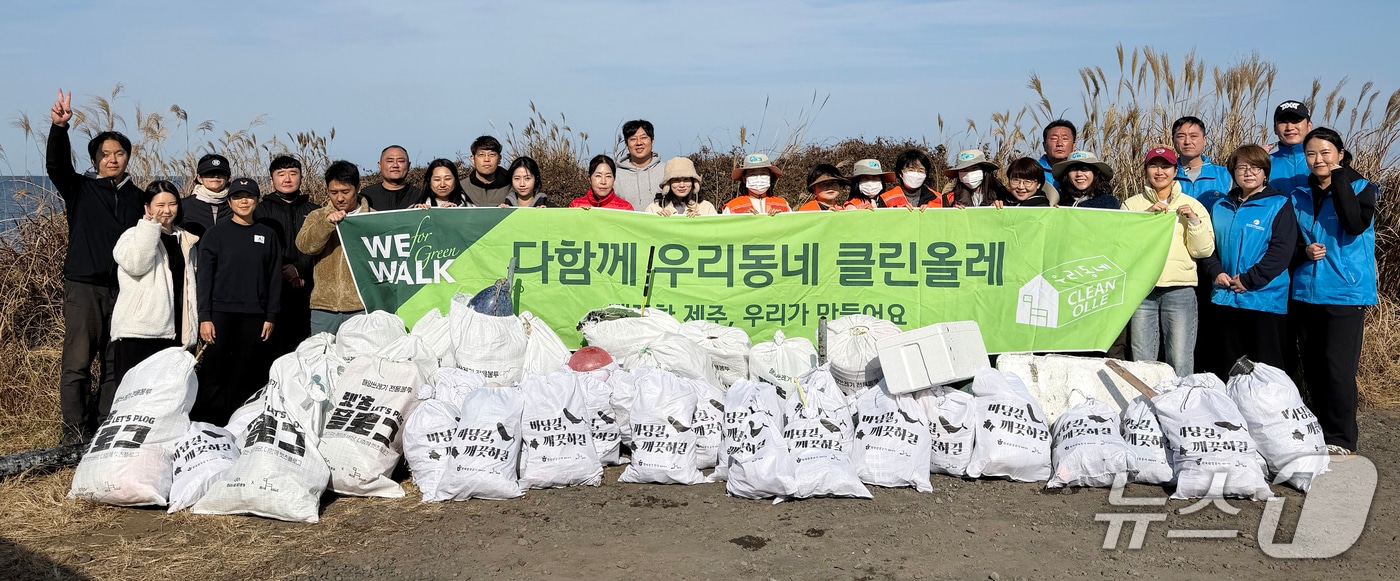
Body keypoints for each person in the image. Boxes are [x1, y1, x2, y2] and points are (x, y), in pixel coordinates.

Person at [46, 89, 144, 444]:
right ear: (95, 160)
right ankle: (73, 430)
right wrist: (59, 128)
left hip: (126, 287)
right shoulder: (80, 188)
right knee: (78, 359)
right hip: (84, 286)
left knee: (116, 361)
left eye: (119, 153)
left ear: (128, 158)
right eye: (105, 155)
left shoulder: (139, 197)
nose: (112, 159)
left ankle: (105, 425)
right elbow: (56, 166)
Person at [1290, 127, 1378, 456]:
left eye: (1326, 153)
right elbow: (1291, 240)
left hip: (1345, 292)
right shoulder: (1299, 194)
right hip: (1306, 291)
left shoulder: (1361, 188)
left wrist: (1340, 180)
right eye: (1311, 154)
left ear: (1340, 155)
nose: (1318, 160)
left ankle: (1341, 437)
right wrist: (1303, 252)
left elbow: (1354, 224)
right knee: (1312, 366)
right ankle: (1319, 431)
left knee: (1337, 367)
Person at [1197, 145, 1297, 378]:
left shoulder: (1279, 204)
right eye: (1242, 167)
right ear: (1233, 171)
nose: (1249, 172)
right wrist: (1215, 271)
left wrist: (1250, 280)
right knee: (1227, 366)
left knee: (1266, 369)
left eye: (1256, 167)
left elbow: (1281, 251)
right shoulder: (1220, 206)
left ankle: (1267, 413)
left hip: (1263, 299)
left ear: (1265, 173)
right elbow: (1207, 245)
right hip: (1224, 296)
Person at [194, 177, 281, 424]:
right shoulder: (215, 234)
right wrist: (205, 317)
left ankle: (240, 422)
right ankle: (208, 423)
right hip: (220, 313)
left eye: (249, 196)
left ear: (257, 200)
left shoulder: (268, 234)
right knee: (214, 370)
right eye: (238, 197)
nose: (244, 201)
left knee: (247, 371)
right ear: (229, 202)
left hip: (255, 315)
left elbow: (274, 278)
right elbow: (205, 279)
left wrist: (270, 315)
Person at [1123, 147, 1215, 376]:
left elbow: (1203, 250)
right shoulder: (1131, 205)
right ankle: (1142, 408)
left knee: (1181, 357)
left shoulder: (1193, 205)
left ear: (1175, 170)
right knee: (1142, 358)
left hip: (1180, 288)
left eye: (1165, 166)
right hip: (1143, 289)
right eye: (1153, 166)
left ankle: (1181, 406)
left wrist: (1193, 221)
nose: (1159, 171)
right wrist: (1145, 218)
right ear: (1145, 170)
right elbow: (1124, 248)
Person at [110, 180, 199, 387]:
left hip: (175, 331)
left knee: (164, 396)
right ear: (147, 207)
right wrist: (150, 227)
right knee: (132, 395)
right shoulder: (132, 235)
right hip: (139, 333)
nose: (167, 211)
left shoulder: (186, 240)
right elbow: (136, 264)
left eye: (172, 204)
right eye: (160, 205)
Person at [298, 161, 373, 335]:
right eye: (334, 192)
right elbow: (305, 246)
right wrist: (326, 224)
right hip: (324, 306)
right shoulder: (317, 216)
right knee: (320, 356)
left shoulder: (373, 218)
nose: (339, 198)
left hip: (361, 307)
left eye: (345, 192)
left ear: (358, 188)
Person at [252, 155, 317, 357]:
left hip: (306, 289)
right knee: (270, 349)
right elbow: (256, 250)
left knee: (303, 347)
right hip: (271, 292)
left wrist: (299, 269)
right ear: (272, 179)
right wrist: (283, 271)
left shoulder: (314, 211)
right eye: (281, 174)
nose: (287, 179)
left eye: (293, 173)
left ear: (301, 177)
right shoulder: (259, 211)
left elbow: (319, 246)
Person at [1171, 116, 1232, 199]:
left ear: (1204, 140)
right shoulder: (1166, 175)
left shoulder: (1226, 175)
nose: (1187, 142)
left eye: (1193, 136)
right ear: (1173, 141)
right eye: (1181, 136)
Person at [614, 120, 664, 211]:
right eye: (633, 139)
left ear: (652, 141)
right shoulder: (615, 176)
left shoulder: (666, 171)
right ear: (626, 144)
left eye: (643, 138)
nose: (639, 143)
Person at [180, 153, 232, 237]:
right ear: (199, 178)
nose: (215, 176)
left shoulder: (236, 204)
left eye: (221, 173)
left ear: (227, 178)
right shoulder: (184, 205)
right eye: (209, 173)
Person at [1269, 100, 1313, 194]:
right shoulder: (1264, 164)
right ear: (1275, 129)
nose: (1289, 127)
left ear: (1309, 126)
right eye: (1283, 122)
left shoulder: (1324, 161)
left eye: (1296, 121)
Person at [723, 153, 791, 215]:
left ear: (770, 176)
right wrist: (741, 218)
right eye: (752, 174)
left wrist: (781, 217)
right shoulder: (732, 207)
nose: (759, 178)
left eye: (763, 173)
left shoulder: (783, 205)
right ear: (744, 178)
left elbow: (792, 225)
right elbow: (726, 227)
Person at [645, 157, 716, 216]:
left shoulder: (706, 207)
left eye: (686, 180)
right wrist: (658, 220)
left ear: (694, 182)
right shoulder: (654, 208)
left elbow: (715, 230)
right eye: (676, 180)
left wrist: (700, 221)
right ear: (668, 184)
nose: (682, 185)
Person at [1052, 151, 1120, 209]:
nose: (1079, 174)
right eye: (1073, 170)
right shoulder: (1060, 201)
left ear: (1095, 173)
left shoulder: (1108, 203)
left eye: (1084, 169)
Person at [360, 145, 419, 211]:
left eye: (401, 161)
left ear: (408, 165)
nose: (395, 165)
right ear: (380, 165)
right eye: (390, 161)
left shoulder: (420, 196)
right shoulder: (365, 196)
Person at [462, 136, 512, 207]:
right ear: (473, 159)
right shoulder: (462, 188)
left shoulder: (512, 187)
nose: (486, 159)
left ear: (499, 159)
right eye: (481, 155)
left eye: (492, 154)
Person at [569, 155, 634, 209]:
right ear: (589, 178)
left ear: (614, 179)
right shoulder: (576, 206)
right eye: (598, 176)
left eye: (608, 176)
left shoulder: (625, 208)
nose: (603, 182)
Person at [1037, 120, 1076, 204]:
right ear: (1044, 145)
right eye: (1054, 139)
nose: (1059, 144)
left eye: (1065, 139)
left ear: (1073, 146)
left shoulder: (1082, 172)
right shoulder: (1032, 171)